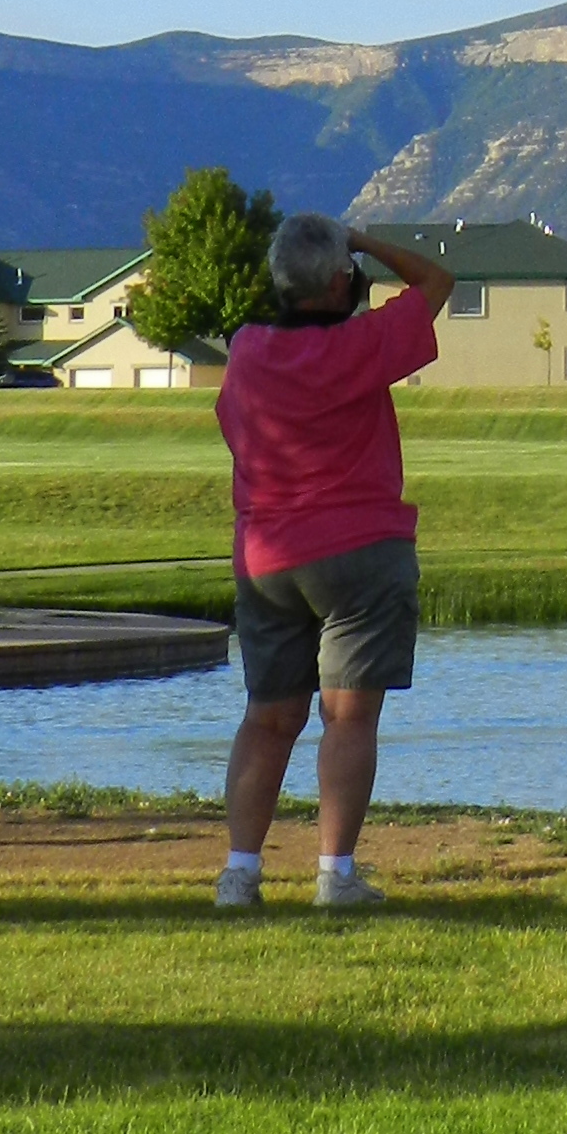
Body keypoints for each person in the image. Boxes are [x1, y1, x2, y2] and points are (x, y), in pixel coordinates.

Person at [213, 213, 454, 912]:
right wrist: (366, 241)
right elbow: (437, 281)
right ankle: (334, 875)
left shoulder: (249, 349)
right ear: (342, 280)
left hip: (265, 552)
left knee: (266, 718)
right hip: (357, 549)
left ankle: (240, 874)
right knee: (348, 719)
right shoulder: (362, 345)